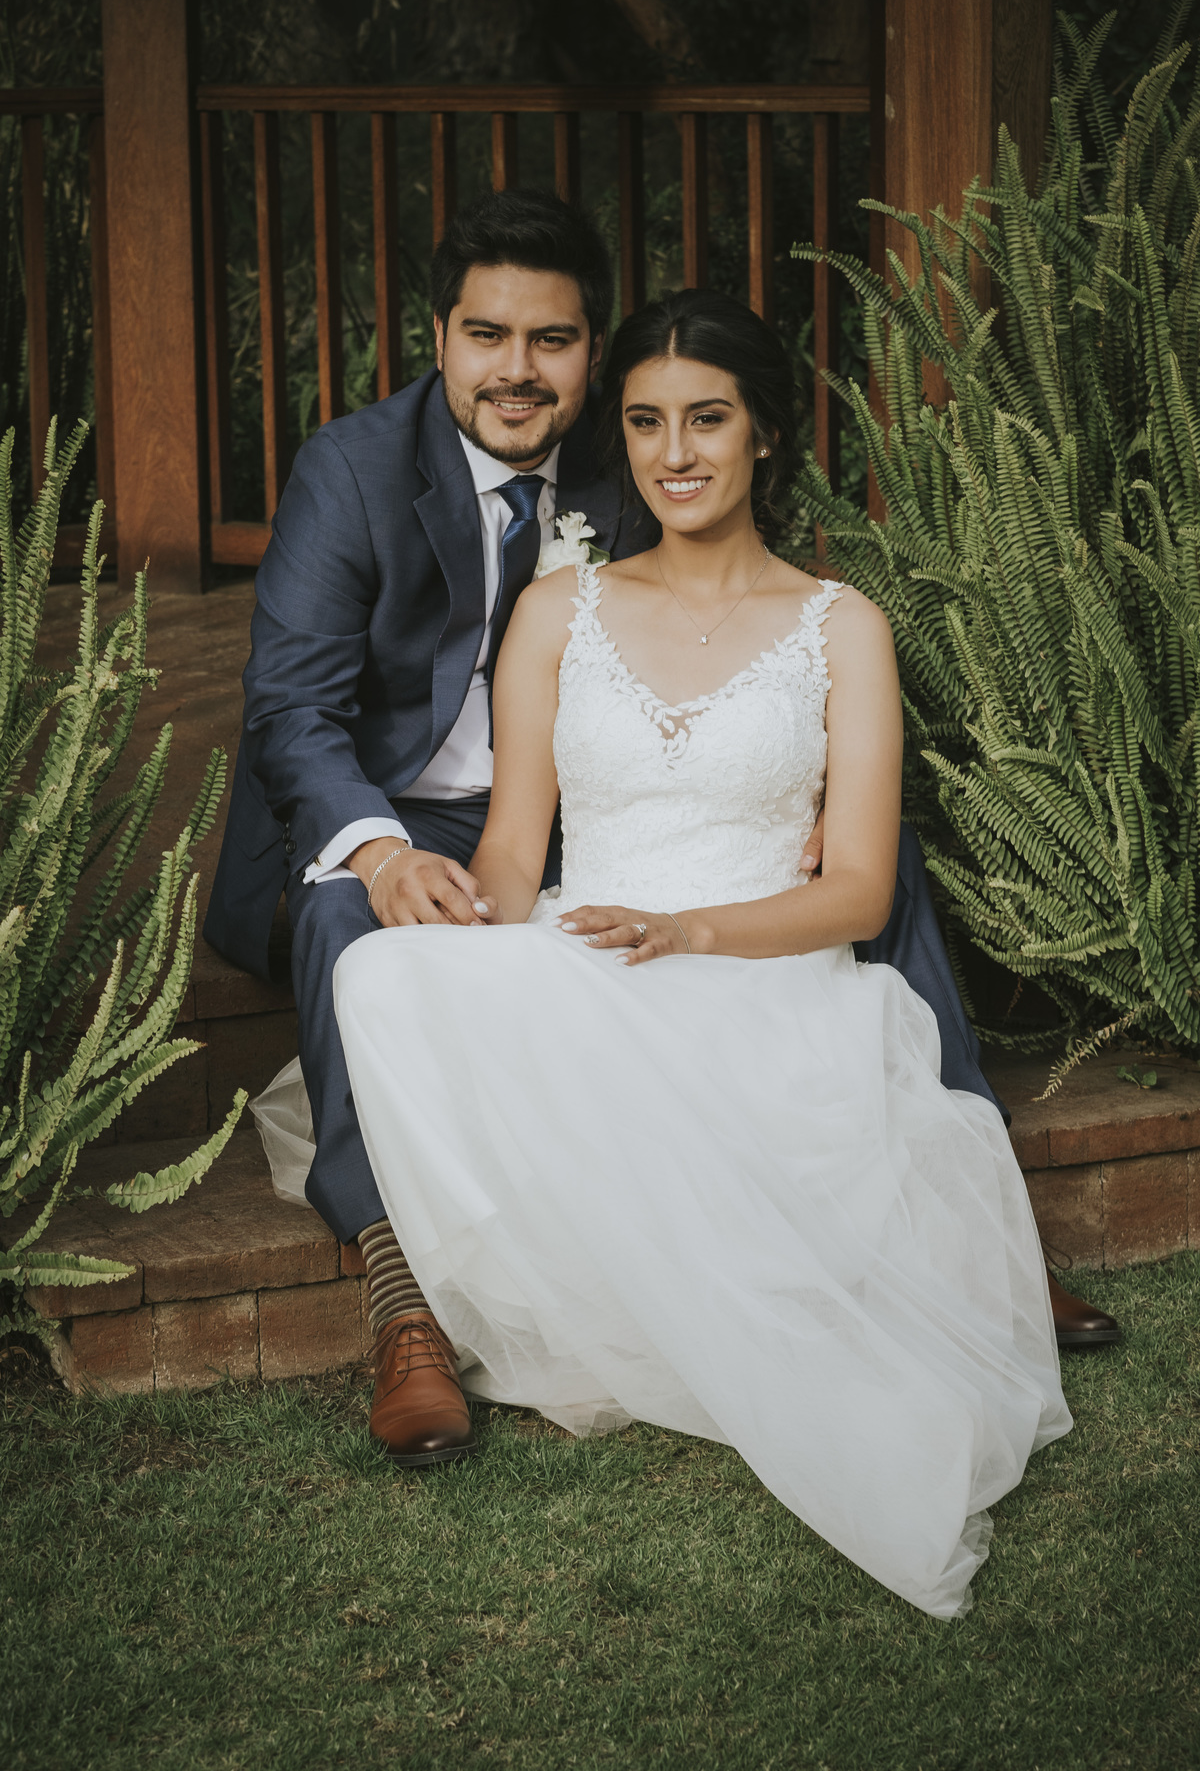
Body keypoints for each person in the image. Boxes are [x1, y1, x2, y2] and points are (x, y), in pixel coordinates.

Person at [203, 188, 1111, 1467]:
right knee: (352, 915)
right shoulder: (352, 469)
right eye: (487, 335)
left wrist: (790, 796)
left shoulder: (633, 450)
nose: (518, 371)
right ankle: (398, 1288)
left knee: (874, 855)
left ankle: (967, 1230)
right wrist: (383, 845)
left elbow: (726, 616)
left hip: (569, 811)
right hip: (391, 802)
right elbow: (292, 711)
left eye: (554, 342)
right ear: (442, 338)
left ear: (591, 350)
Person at [323, 286, 1071, 1619]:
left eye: (709, 420)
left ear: (764, 434)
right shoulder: (561, 613)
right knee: (377, 973)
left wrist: (693, 933)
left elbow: (854, 894)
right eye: (649, 422)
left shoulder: (843, 627)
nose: (675, 455)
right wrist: (444, 907)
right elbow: (514, 855)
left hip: (765, 978)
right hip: (589, 949)